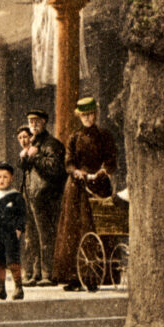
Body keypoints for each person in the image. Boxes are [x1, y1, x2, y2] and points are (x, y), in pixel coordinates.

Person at [54, 97, 117, 291]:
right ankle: (74, 276)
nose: (88, 119)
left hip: (99, 185)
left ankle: (99, 274)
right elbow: (69, 161)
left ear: (95, 115)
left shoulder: (105, 136)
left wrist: (104, 171)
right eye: (84, 116)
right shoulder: (74, 138)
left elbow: (111, 159)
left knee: (100, 226)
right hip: (77, 188)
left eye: (91, 115)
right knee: (74, 229)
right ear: (79, 117)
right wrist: (77, 172)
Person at [20, 110, 66, 286]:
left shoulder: (51, 144)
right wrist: (24, 157)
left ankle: (48, 273)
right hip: (31, 196)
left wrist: (35, 156)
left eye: (37, 121)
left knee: (46, 236)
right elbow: (25, 168)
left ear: (45, 122)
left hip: (46, 197)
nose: (33, 124)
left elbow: (54, 169)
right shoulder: (33, 143)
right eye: (31, 121)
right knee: (32, 236)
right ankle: (36, 273)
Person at [0, 163, 28, 301]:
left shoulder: (16, 196)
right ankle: (1, 289)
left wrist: (19, 229)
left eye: (5, 177)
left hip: (9, 234)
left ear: (11, 178)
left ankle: (18, 287)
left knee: (12, 260)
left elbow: (22, 215)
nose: (1, 180)